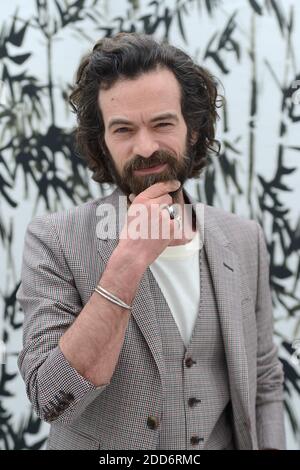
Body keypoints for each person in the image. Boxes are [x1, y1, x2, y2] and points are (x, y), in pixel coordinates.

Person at [17, 32, 285, 450]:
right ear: (102, 142)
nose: (145, 147)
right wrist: (127, 263)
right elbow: (51, 398)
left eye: (162, 124)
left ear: (193, 130)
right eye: (123, 129)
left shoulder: (243, 237)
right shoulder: (53, 239)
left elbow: (264, 377)